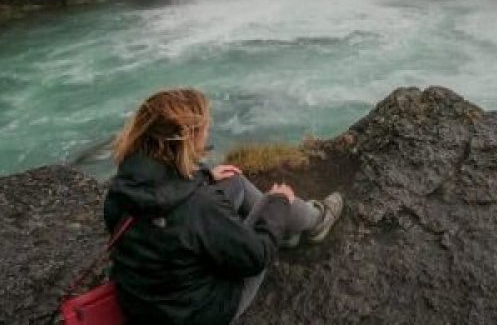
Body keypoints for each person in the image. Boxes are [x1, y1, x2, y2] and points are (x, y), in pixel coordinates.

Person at [103, 88, 344, 325]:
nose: (209, 132)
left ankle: (289, 232)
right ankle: (317, 221)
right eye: (206, 127)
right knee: (275, 204)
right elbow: (255, 257)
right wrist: (277, 205)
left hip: (143, 306)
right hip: (200, 312)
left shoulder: (123, 187)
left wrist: (205, 176)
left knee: (234, 180)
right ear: (188, 138)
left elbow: (168, 194)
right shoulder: (200, 206)